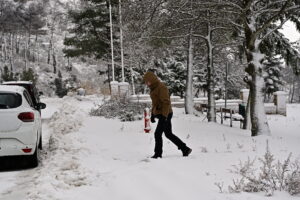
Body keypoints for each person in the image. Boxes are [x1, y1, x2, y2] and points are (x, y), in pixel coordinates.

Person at [143, 71, 192, 159]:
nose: (147, 83)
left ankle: (158, 154)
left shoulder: (161, 87)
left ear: (152, 79)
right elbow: (155, 103)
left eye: (148, 81)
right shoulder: (153, 88)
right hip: (161, 114)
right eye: (146, 82)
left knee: (158, 134)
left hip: (165, 114)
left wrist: (164, 117)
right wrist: (153, 114)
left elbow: (166, 102)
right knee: (168, 134)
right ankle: (185, 149)